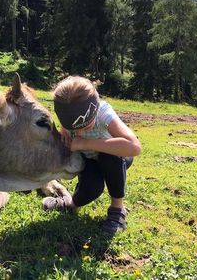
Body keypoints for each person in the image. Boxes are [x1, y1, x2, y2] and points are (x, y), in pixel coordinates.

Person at [44, 76, 142, 233]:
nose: (80, 132)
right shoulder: (68, 115)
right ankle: (71, 205)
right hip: (90, 160)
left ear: (94, 109)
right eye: (74, 129)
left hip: (116, 157)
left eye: (86, 126)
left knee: (109, 158)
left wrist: (86, 143)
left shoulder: (104, 114)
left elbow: (134, 147)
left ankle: (117, 209)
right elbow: (63, 132)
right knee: (91, 188)